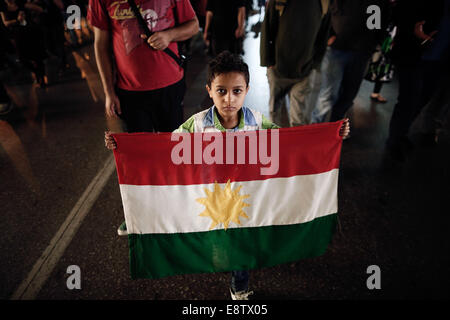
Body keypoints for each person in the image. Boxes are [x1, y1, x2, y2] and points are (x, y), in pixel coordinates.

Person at [105, 51, 350, 300]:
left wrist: (332, 136)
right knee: (215, 241)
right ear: (209, 90)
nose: (229, 98)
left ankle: (238, 286)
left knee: (240, 246)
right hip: (209, 197)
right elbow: (164, 150)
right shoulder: (197, 125)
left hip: (244, 200)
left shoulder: (256, 121)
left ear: (246, 90)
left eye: (237, 91)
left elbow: (287, 144)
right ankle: (143, 221)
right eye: (221, 91)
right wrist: (126, 148)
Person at [386, 0, 449, 160]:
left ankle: (402, 133)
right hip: (413, 54)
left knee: (421, 100)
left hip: (438, 58)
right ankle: (394, 141)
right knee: (408, 99)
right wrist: (414, 31)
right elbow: (398, 12)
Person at [311, 0, 388, 124]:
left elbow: (379, 21)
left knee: (348, 95)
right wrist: (328, 36)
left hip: (362, 53)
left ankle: (334, 129)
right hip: (337, 50)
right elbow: (328, 12)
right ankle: (315, 129)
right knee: (328, 95)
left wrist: (373, 43)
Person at [260, 0, 331, 127]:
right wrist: (268, 61)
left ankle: (295, 145)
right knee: (274, 111)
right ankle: (273, 142)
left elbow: (323, 37)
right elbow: (267, 29)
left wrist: (315, 65)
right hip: (278, 68)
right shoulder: (278, 1)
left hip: (304, 71)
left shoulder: (323, 3)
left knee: (298, 118)